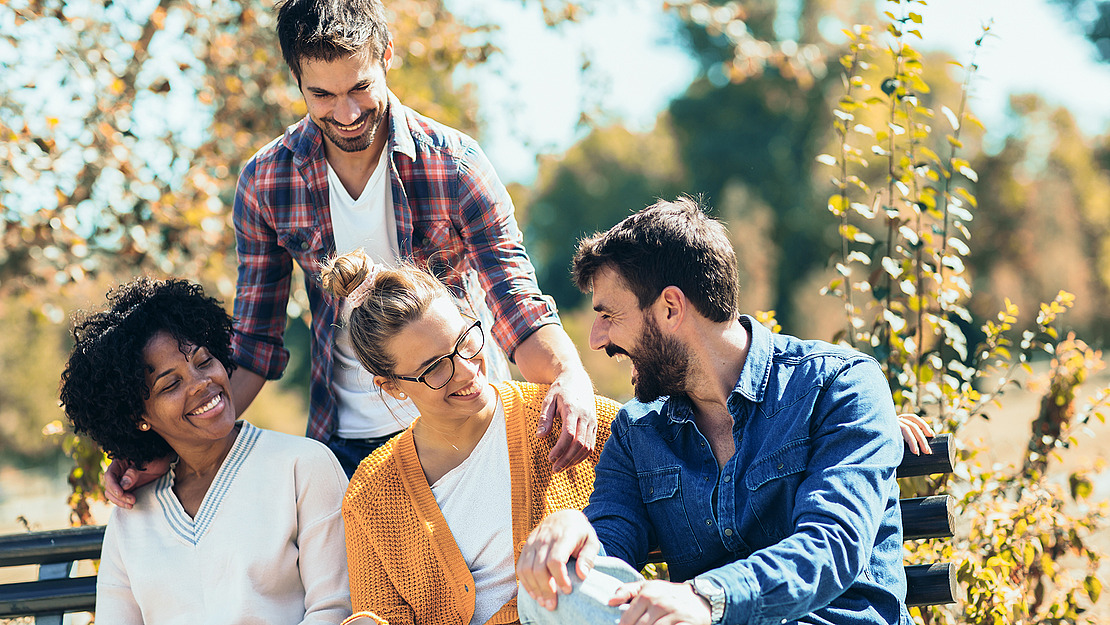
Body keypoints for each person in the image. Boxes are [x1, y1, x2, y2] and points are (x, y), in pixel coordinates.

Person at [104, 0, 595, 500]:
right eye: (322, 94)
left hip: (466, 419)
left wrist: (568, 377)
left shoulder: (456, 165)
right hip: (350, 445)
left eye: (360, 87)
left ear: (386, 55)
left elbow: (515, 302)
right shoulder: (266, 181)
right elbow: (254, 345)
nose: (346, 113)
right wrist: (169, 446)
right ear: (297, 81)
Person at [516, 198, 915, 625]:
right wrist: (576, 537)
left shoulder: (837, 385)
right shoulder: (637, 433)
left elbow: (832, 543)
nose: (596, 339)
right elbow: (611, 536)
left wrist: (707, 598)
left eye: (609, 315)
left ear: (671, 307)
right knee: (549, 593)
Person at [318, 250, 621, 625]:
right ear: (392, 386)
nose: (465, 371)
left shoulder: (565, 417)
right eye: (435, 368)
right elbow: (381, 615)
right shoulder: (371, 495)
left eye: (464, 341)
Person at [59, 277, 350, 624]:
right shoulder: (132, 514)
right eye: (171, 384)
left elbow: (334, 610)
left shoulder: (303, 467)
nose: (202, 383)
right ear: (138, 417)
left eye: (203, 361)